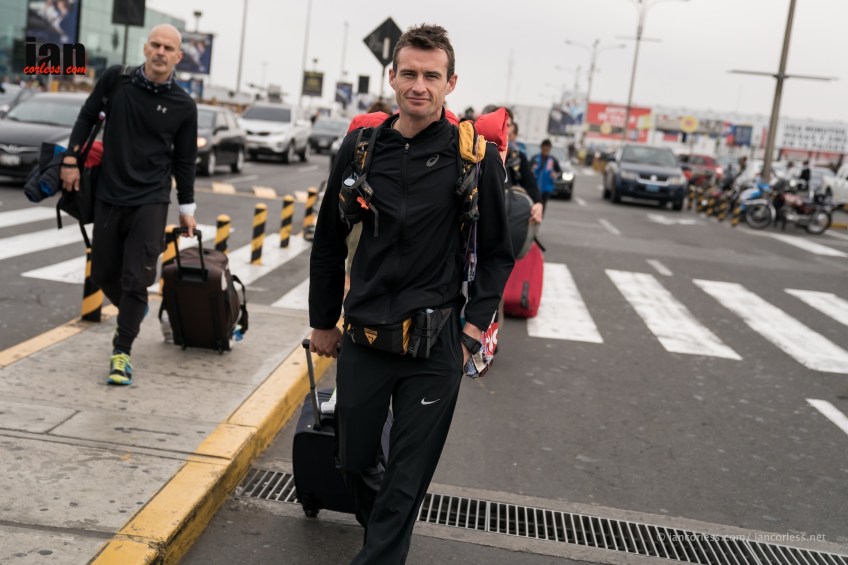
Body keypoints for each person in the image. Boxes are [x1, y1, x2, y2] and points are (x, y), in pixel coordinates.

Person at [309, 24, 513, 564]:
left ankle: (380, 551)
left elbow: (498, 253)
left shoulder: (475, 159)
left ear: (450, 84)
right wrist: (324, 321)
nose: (419, 85)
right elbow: (328, 241)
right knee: (354, 461)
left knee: (406, 477)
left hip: (436, 342)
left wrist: (471, 332)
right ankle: (385, 534)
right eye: (409, 74)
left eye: (431, 76)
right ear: (392, 77)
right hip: (366, 335)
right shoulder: (361, 148)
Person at [60, 24, 197, 385]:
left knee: (136, 278)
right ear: (145, 47)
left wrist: (187, 209)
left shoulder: (184, 105)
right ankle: (135, 310)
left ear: (178, 57)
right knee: (104, 272)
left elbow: (185, 161)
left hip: (151, 199)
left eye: (168, 48)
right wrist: (70, 160)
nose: (161, 52)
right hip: (109, 193)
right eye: (156, 45)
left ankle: (121, 352)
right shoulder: (115, 81)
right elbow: (87, 116)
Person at [504, 117, 543, 224]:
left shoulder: (518, 158)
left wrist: (538, 203)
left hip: (509, 212)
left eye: (508, 125)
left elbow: (530, 184)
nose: (505, 129)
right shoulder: (480, 154)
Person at [530, 138, 562, 214]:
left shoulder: (553, 160)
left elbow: (559, 173)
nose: (546, 150)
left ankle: (539, 218)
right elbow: (528, 170)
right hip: (535, 187)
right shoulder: (535, 158)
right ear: (541, 148)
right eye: (544, 148)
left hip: (547, 188)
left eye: (548, 148)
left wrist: (555, 175)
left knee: (542, 206)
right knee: (533, 206)